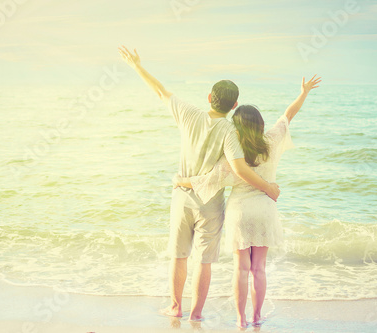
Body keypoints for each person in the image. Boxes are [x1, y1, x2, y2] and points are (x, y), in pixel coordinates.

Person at [117, 45, 281, 321]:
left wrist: (137, 66)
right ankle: (196, 314)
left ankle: (175, 307)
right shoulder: (230, 129)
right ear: (233, 106)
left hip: (182, 196)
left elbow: (160, 91)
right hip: (210, 202)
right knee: (204, 261)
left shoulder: (189, 114)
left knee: (178, 256)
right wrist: (268, 187)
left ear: (209, 98)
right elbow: (239, 168)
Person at [174, 75, 321, 327]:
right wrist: (304, 92)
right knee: (259, 270)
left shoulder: (234, 156)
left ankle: (241, 319)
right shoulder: (272, 141)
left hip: (239, 212)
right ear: (261, 124)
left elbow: (207, 180)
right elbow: (288, 115)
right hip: (264, 209)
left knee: (241, 269)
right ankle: (257, 317)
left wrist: (180, 181)